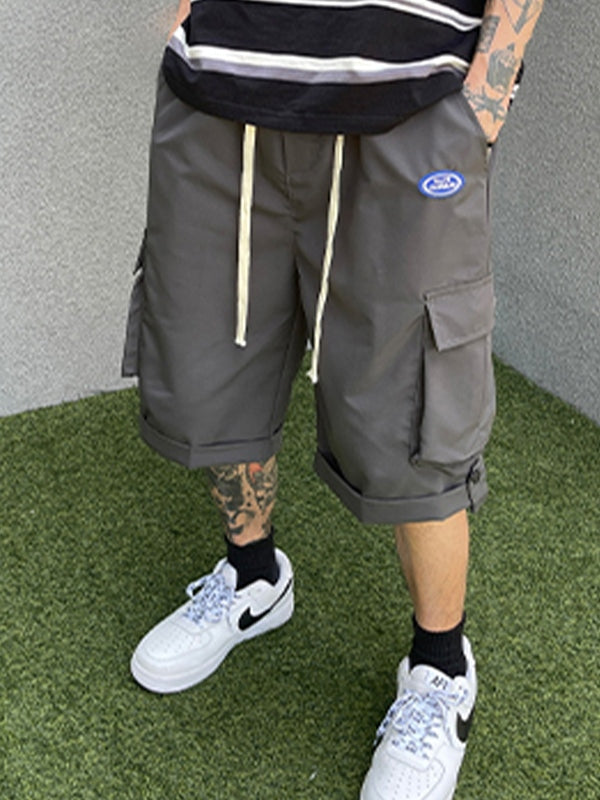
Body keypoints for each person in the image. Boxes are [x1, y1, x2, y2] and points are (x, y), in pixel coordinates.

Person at [122, 1, 544, 797]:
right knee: (212, 367)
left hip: (410, 105)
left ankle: (440, 668)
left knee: (412, 411)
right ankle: (254, 577)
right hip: (219, 90)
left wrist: (486, 94)